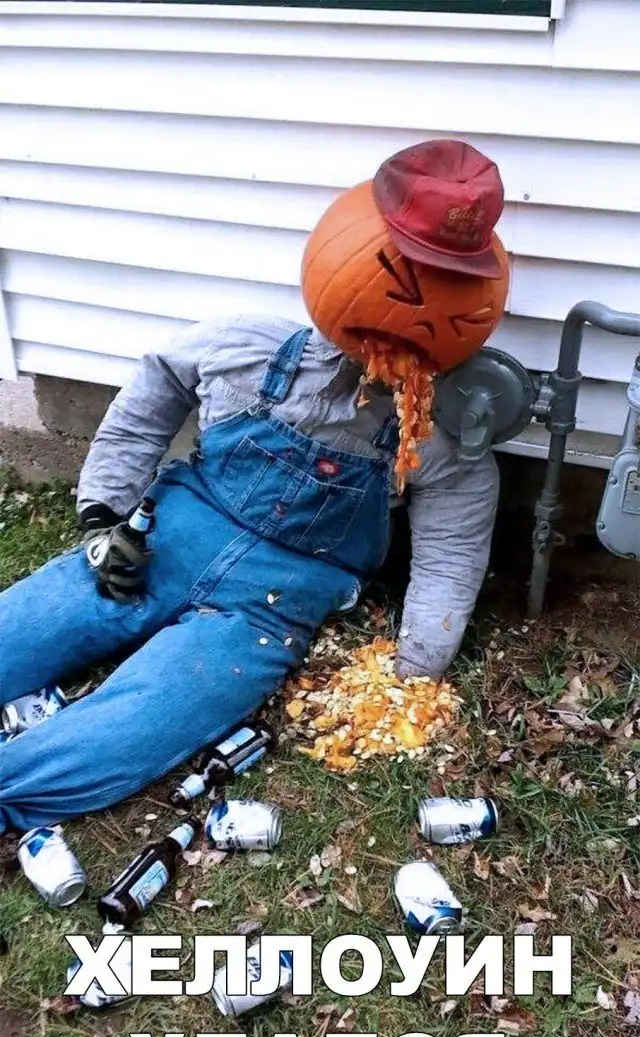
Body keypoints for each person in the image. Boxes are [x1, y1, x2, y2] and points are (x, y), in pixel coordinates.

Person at [0, 140, 505, 835]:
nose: (416, 309)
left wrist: (415, 664)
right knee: (26, 626)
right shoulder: (245, 347)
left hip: (270, 606)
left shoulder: (435, 436)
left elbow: (453, 549)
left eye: (451, 291)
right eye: (399, 275)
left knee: (146, 716)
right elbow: (154, 390)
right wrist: (103, 516)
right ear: (348, 249)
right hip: (167, 539)